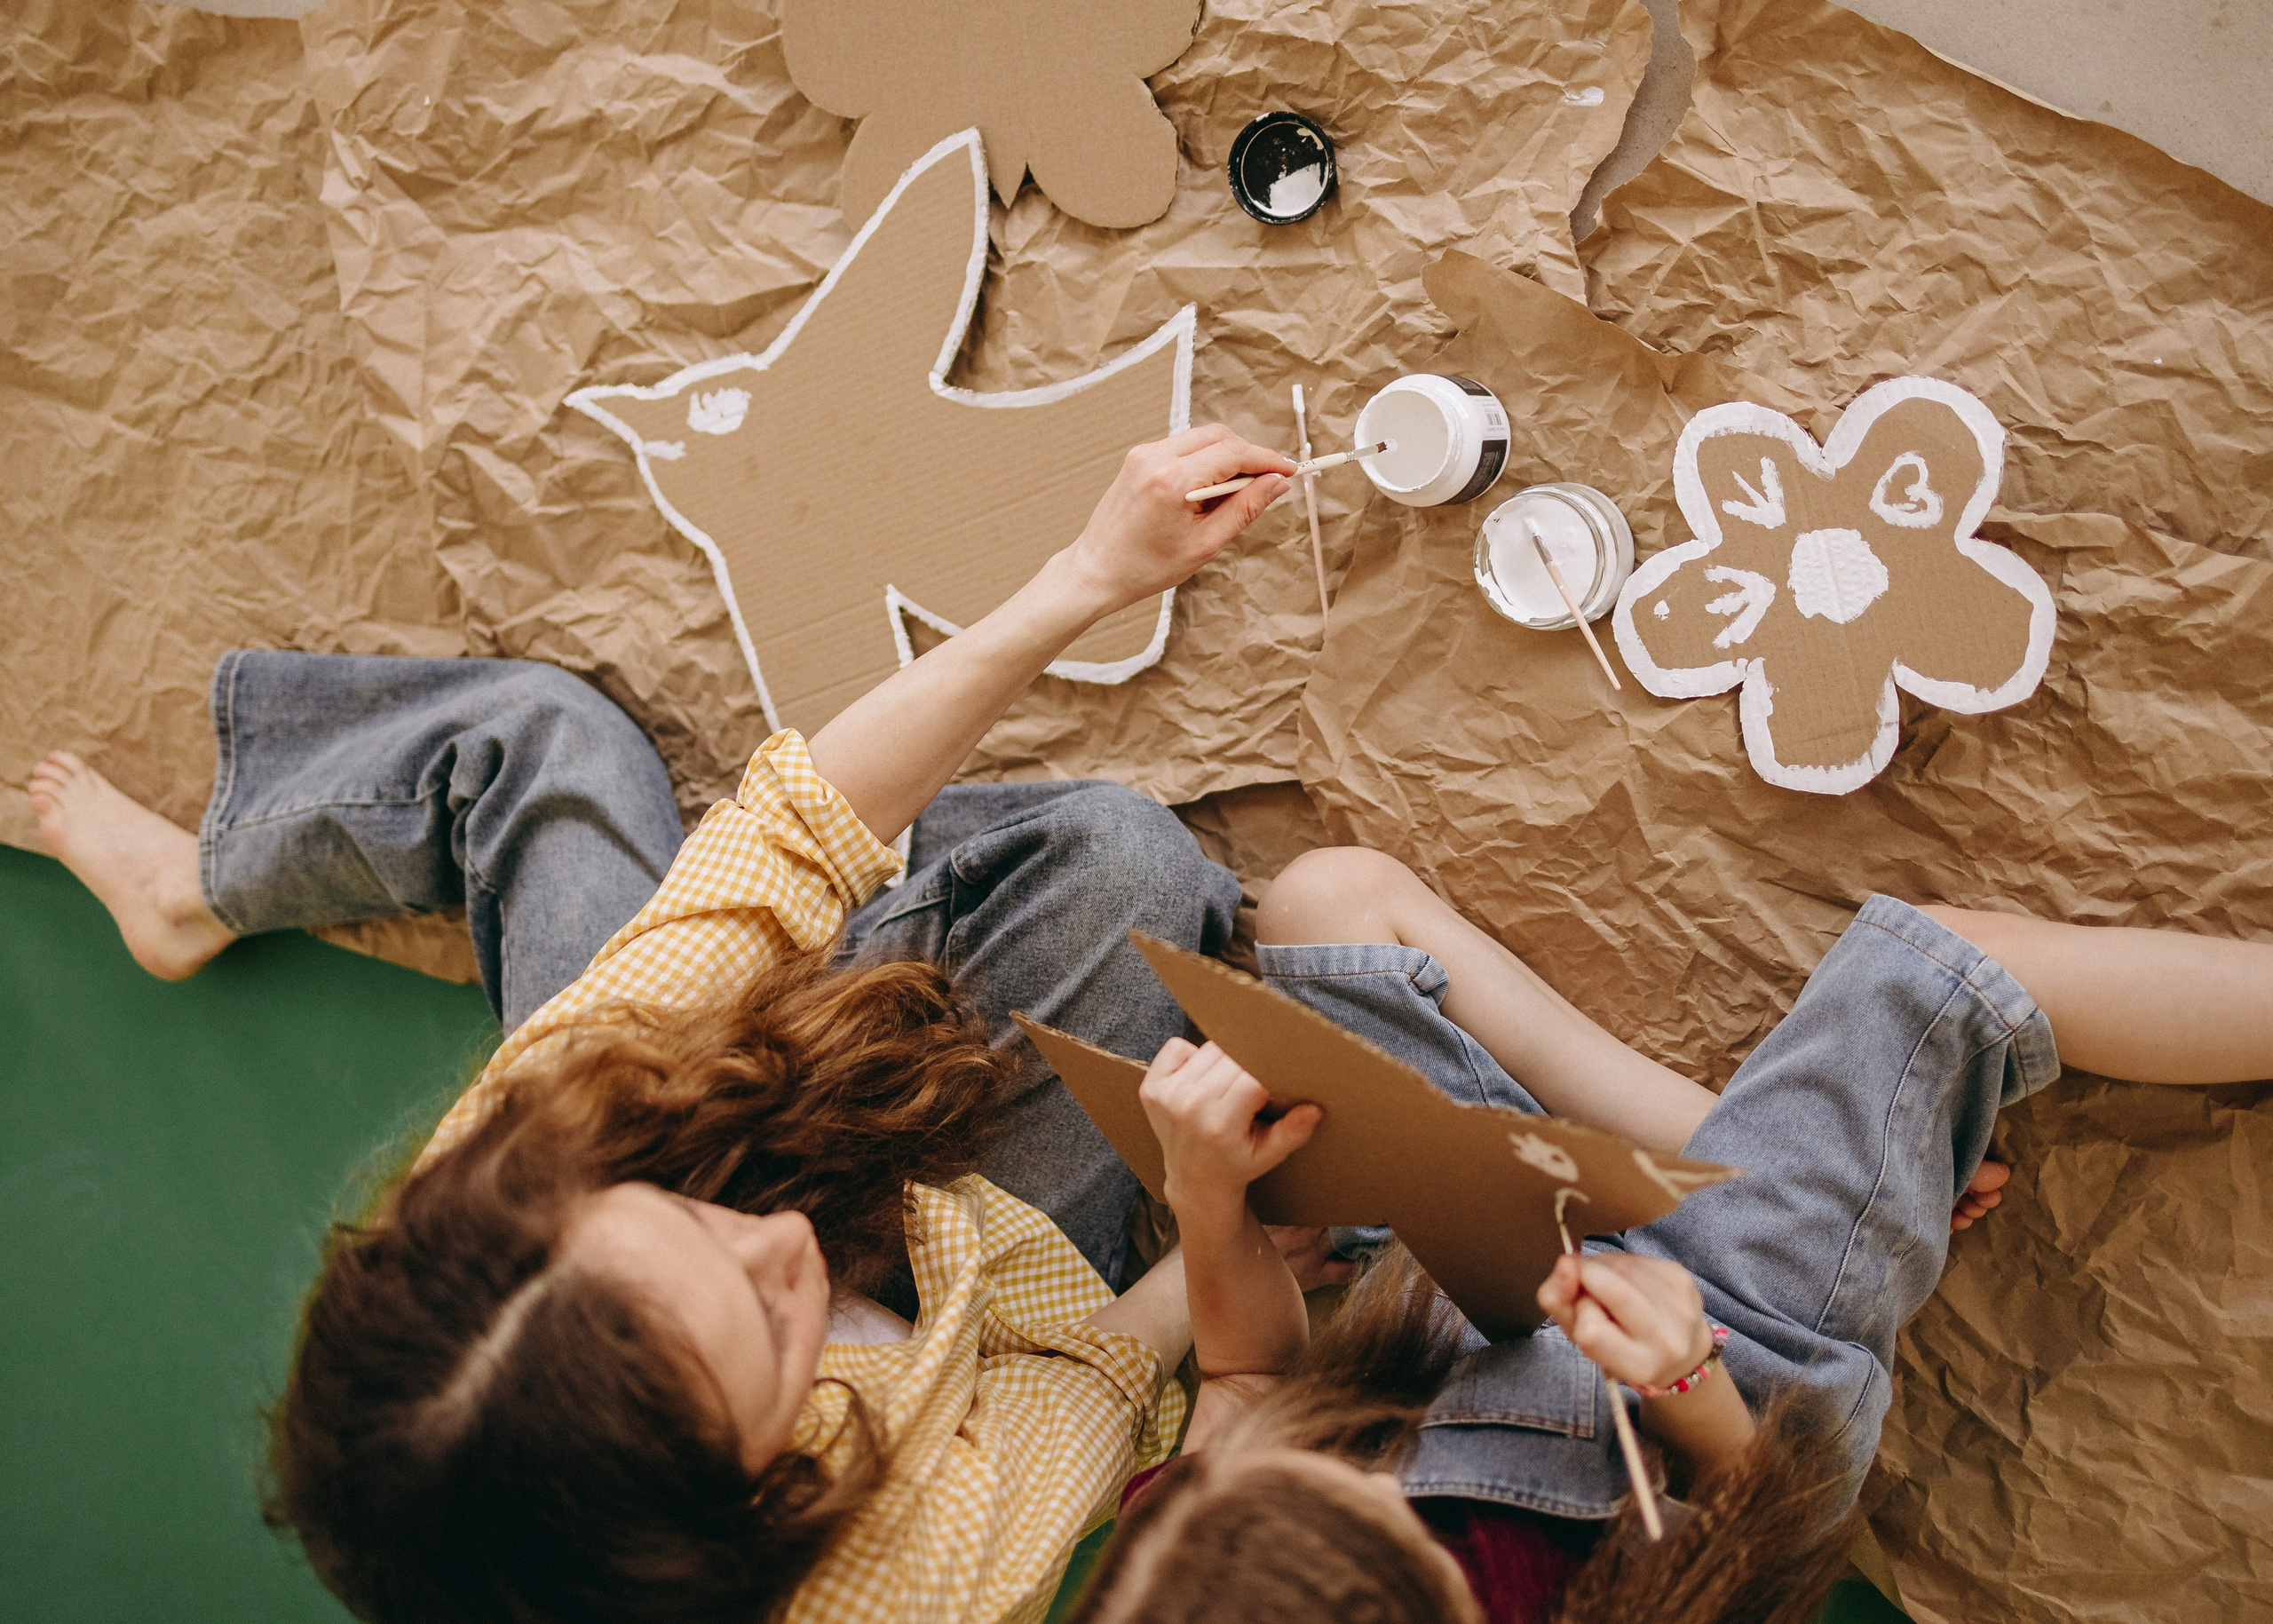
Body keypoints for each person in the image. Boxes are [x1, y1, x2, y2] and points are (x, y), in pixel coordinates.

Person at [29, 428, 1303, 1624]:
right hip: (986, 1288)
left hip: (728, 1092)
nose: (790, 1240)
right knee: (1130, 867)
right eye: (768, 1332)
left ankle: (199, 886)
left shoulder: (515, 1209)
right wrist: (1219, 1227)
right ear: (749, 1505)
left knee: (548, 738)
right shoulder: (904, 1585)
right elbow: (1076, 1372)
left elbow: (790, 835)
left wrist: (1088, 574)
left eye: (694, 1220)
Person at [1065, 847, 2273, 1624]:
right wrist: (1684, 1376)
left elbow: (1246, 1371)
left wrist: (1210, 1198)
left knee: (1328, 899)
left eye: (1324, 1466)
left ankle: (1754, 1150)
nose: (1373, 1469)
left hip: (1457, 1284)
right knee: (1944, 975)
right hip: (1731, 1361)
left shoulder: (1183, 1567)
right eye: (1393, 1509)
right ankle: (1809, 1156)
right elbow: (1771, 1521)